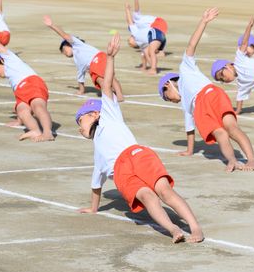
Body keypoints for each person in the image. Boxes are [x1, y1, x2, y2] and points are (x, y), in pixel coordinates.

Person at [75, 35, 204, 243]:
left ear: (93, 114)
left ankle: (195, 227)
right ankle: (173, 229)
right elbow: (96, 186)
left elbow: (107, 86)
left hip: (137, 154)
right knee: (147, 196)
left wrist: (110, 58)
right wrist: (93, 208)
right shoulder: (98, 152)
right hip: (121, 172)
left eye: (79, 122)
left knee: (164, 190)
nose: (79, 129)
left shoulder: (108, 113)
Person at [158, 8, 254, 173]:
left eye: (167, 97)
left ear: (167, 85)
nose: (171, 100)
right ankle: (234, 160)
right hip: (210, 98)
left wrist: (203, 21)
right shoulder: (185, 103)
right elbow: (189, 127)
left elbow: (191, 45)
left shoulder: (185, 68)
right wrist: (190, 150)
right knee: (223, 133)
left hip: (208, 95)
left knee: (229, 130)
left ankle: (251, 160)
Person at [0, 7, 54, 142]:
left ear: (1, 60)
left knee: (38, 106)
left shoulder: (8, 57)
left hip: (33, 83)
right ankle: (35, 130)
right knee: (22, 110)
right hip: (21, 90)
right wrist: (19, 121)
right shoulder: (11, 78)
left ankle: (48, 132)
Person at [43, 15, 124, 99]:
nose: (64, 54)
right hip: (94, 64)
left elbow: (64, 35)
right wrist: (81, 90)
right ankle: (116, 95)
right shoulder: (77, 60)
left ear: (67, 44)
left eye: (63, 50)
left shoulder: (77, 45)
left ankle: (119, 96)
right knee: (103, 79)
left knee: (106, 79)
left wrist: (52, 25)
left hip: (97, 59)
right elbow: (80, 76)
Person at [124, 0, 167, 74]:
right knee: (149, 52)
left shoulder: (135, 31)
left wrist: (127, 10)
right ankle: (153, 68)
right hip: (158, 35)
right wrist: (146, 66)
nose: (130, 38)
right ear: (134, 44)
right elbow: (145, 56)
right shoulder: (142, 44)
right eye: (129, 42)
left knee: (151, 51)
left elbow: (129, 20)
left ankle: (153, 69)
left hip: (155, 32)